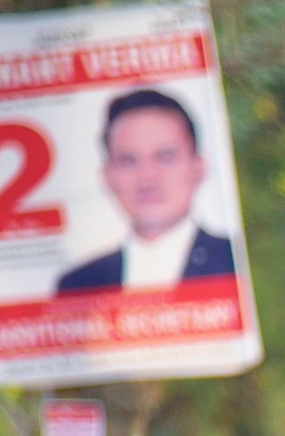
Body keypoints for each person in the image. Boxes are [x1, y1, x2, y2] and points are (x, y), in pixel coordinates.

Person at [53, 89, 238, 295]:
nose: (147, 177)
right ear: (107, 175)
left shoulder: (236, 260)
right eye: (128, 161)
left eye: (165, 157)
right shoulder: (78, 284)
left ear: (198, 167)